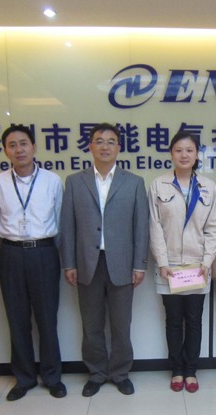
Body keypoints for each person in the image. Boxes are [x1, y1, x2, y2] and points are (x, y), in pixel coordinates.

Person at [60, 122, 149, 397]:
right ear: (90, 146)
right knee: (91, 325)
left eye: (111, 142)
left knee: (121, 325)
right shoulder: (74, 182)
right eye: (99, 141)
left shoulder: (134, 182)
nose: (105, 146)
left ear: (118, 148)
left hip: (122, 264)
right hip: (87, 264)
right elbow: (67, 225)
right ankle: (97, 373)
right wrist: (69, 263)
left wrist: (139, 264)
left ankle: (120, 373)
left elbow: (141, 227)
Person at [0, 125, 66, 401]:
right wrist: (11, 246)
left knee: (47, 319)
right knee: (17, 319)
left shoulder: (52, 180)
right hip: (10, 254)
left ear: (34, 147)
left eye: (23, 143)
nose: (18, 149)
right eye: (12, 145)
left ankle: (53, 377)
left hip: (44, 252)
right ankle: (24, 378)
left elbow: (60, 219)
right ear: (5, 151)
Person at [148, 131, 216, 393]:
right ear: (171, 154)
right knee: (173, 320)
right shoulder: (159, 185)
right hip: (169, 267)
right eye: (178, 150)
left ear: (197, 154)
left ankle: (191, 370)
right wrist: (162, 261)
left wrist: (207, 261)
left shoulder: (208, 186)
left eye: (189, 150)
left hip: (197, 266)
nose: (184, 155)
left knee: (194, 320)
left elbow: (213, 228)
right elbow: (155, 226)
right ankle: (176, 369)